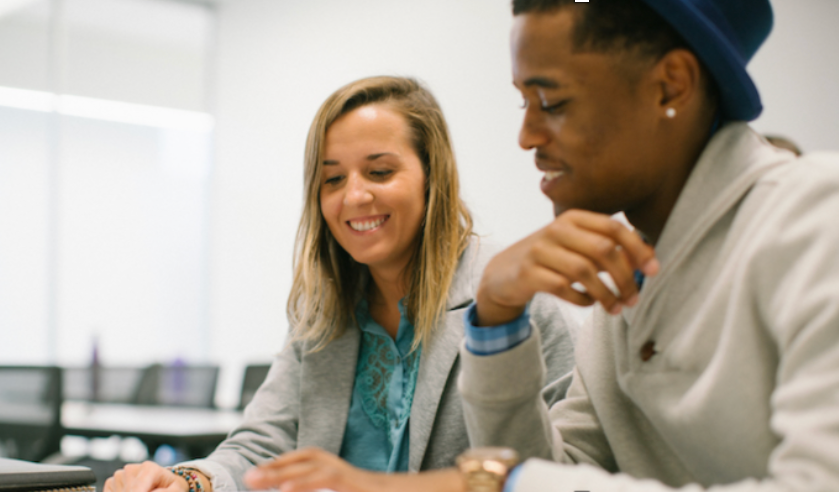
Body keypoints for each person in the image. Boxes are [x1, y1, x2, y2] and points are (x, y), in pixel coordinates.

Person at [249, 1, 839, 492]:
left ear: (670, 85)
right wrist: (498, 322)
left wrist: (484, 481)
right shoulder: (629, 286)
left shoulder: (816, 213)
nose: (527, 136)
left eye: (551, 102)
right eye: (523, 103)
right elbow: (565, 473)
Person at [103, 76, 577, 492]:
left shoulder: (516, 304)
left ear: (433, 176)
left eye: (380, 172)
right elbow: (262, 447)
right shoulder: (324, 311)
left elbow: (552, 477)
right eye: (332, 179)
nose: (353, 196)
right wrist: (189, 481)